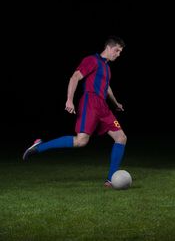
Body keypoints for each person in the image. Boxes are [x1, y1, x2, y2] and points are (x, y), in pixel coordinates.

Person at [23, 35, 127, 187]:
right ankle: (39, 146)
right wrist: (69, 99)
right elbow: (75, 77)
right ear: (109, 47)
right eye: (117, 51)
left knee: (121, 137)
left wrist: (115, 102)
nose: (118, 54)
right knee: (81, 141)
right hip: (90, 103)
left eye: (120, 52)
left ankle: (111, 179)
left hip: (103, 106)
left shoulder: (106, 67)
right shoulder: (92, 60)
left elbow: (107, 86)